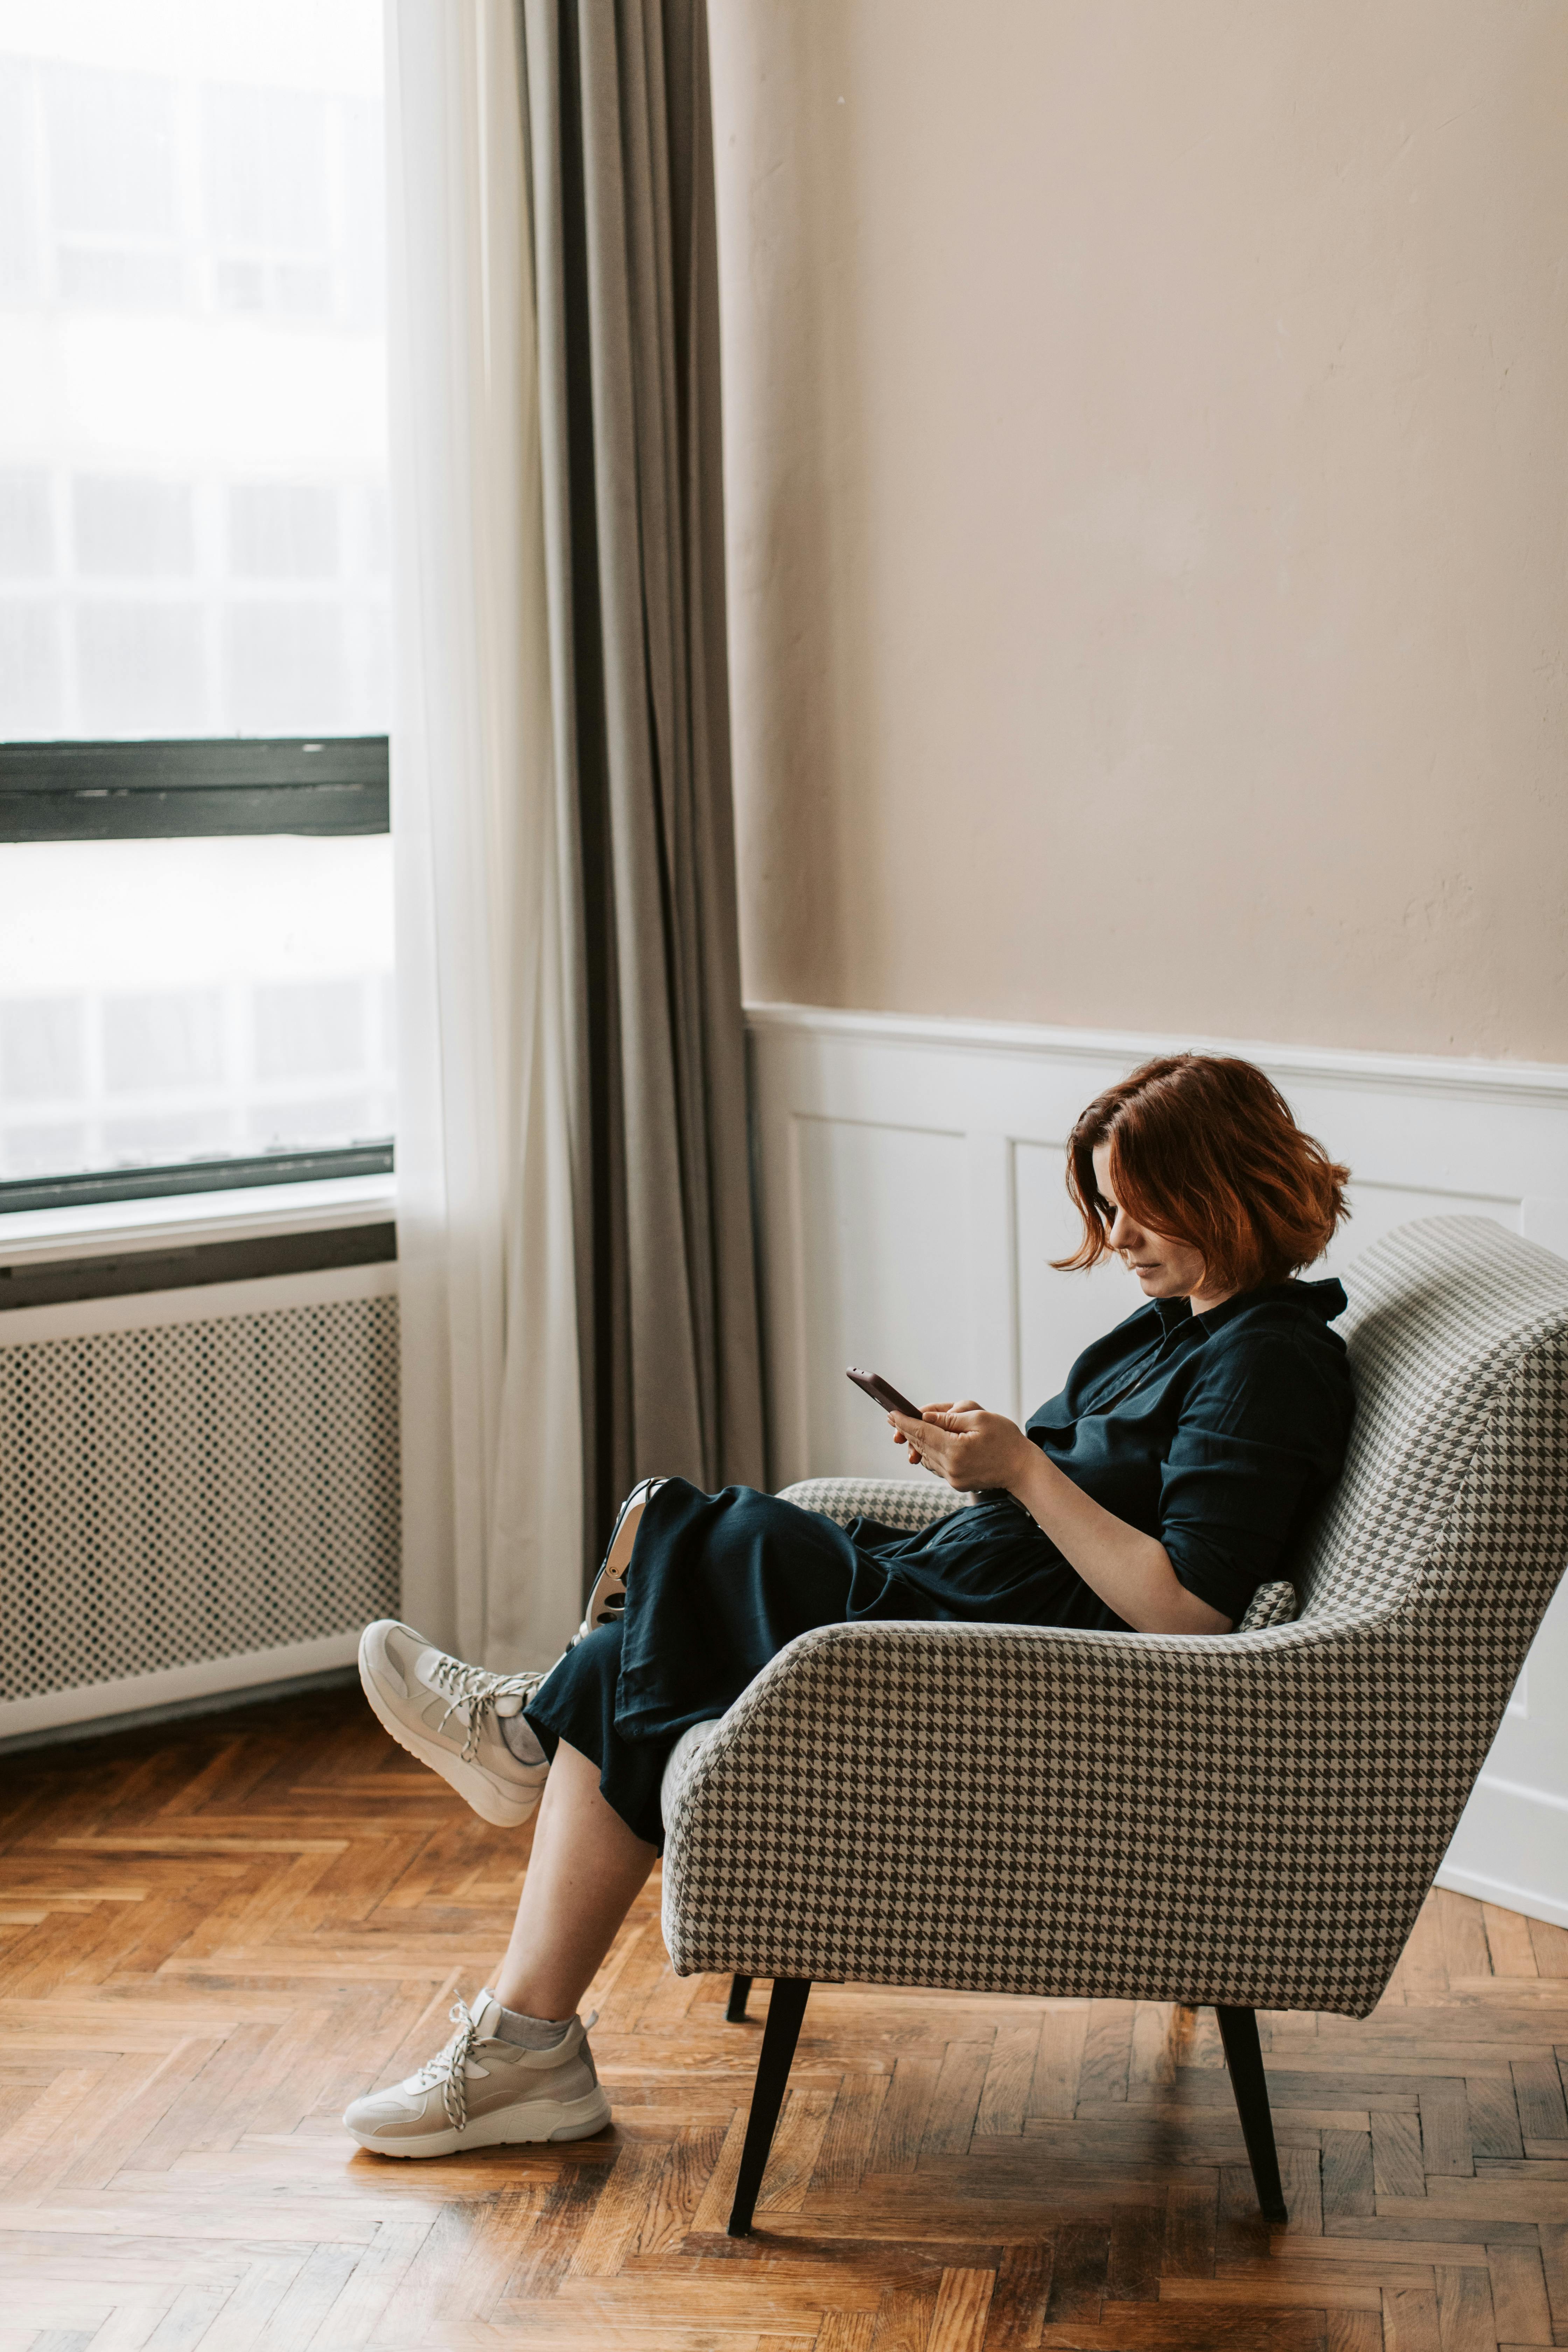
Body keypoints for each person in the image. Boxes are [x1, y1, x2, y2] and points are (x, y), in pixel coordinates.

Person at [343, 1052, 1354, 2157]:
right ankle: (524, 2029)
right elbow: (1087, 1487)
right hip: (953, 1589)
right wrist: (982, 1461)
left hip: (1006, 1663)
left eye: (1141, 1208)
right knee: (660, 1602)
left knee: (707, 1528)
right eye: (1109, 1206)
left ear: (1226, 1182)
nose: (1116, 1237)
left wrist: (1023, 1471)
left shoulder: (1270, 1363)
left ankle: (525, 1746)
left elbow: (1191, 1615)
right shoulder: (1181, 1327)